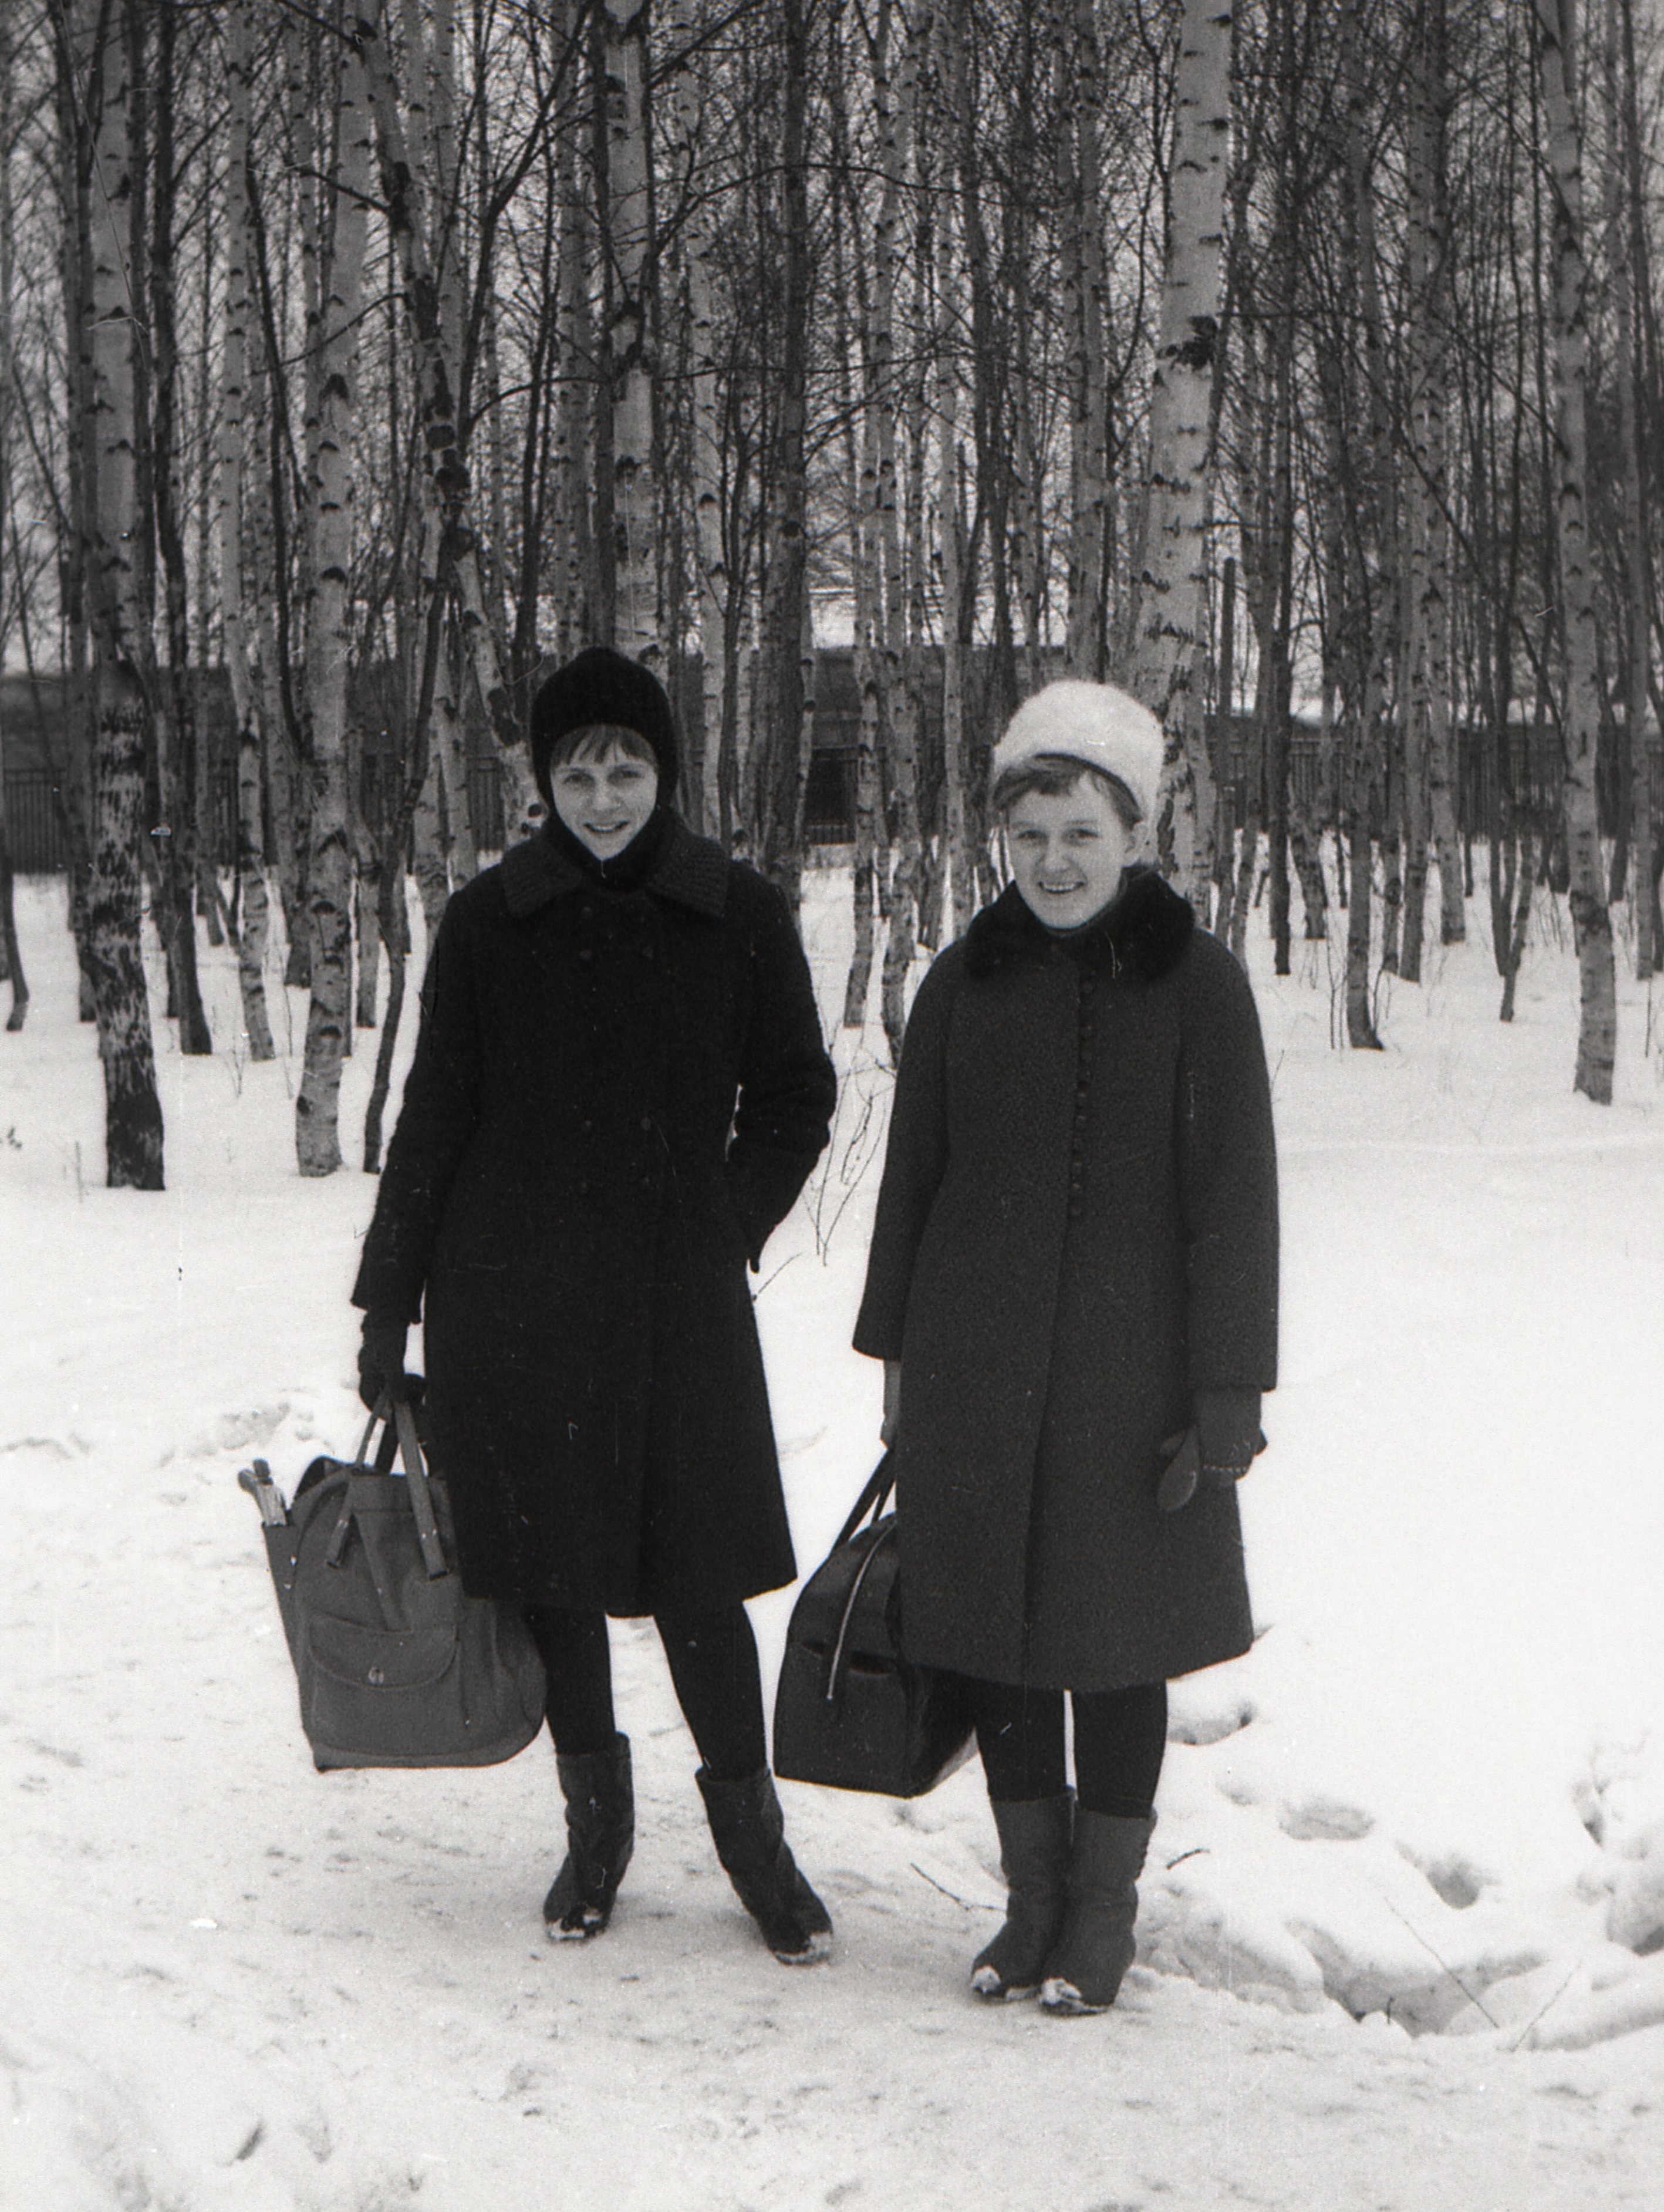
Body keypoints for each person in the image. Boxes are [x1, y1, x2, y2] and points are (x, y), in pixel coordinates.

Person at [353, 646, 839, 1964]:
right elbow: (434, 1117)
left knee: (699, 1579)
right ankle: (596, 1835)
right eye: (578, 773)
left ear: (664, 772)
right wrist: (387, 1304)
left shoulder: (737, 911)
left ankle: (756, 1851)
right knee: (553, 1577)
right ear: (543, 782)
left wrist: (723, 1224)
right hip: (511, 1300)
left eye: (627, 769)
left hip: (676, 1305)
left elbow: (796, 1094)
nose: (605, 796)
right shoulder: (486, 921)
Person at [853, 679, 1279, 2013]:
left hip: (1128, 1384)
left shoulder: (1200, 986)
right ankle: (1031, 1901)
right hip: (972, 1371)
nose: (1052, 861)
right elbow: (911, 1185)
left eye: (1081, 832)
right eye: (1029, 834)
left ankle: (1102, 1914)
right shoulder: (962, 980)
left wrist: (1227, 1393)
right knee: (996, 1642)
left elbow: (1236, 1202)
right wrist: (898, 1369)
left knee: (1115, 1644)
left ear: (1134, 833)